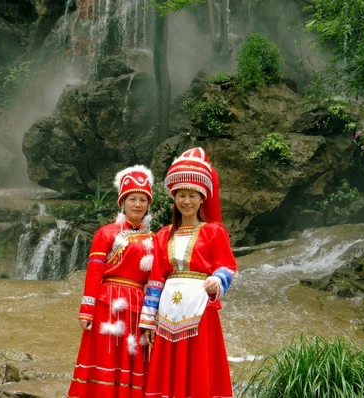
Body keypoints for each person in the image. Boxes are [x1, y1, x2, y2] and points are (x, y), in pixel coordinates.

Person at [139, 147, 237, 398]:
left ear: (202, 197)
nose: (186, 201)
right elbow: (156, 279)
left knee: (199, 367)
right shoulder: (162, 234)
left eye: (192, 195)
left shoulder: (214, 232)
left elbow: (227, 266)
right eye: (181, 195)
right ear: (174, 198)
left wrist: (217, 281)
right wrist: (148, 321)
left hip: (200, 308)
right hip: (167, 313)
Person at [68, 165, 155, 398]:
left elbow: (157, 279)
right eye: (132, 199)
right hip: (108, 305)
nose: (137, 204)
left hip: (137, 305)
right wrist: (87, 309)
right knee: (105, 356)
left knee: (132, 358)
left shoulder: (154, 239)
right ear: (122, 202)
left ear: (148, 205)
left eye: (142, 200)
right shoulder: (106, 233)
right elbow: (94, 271)